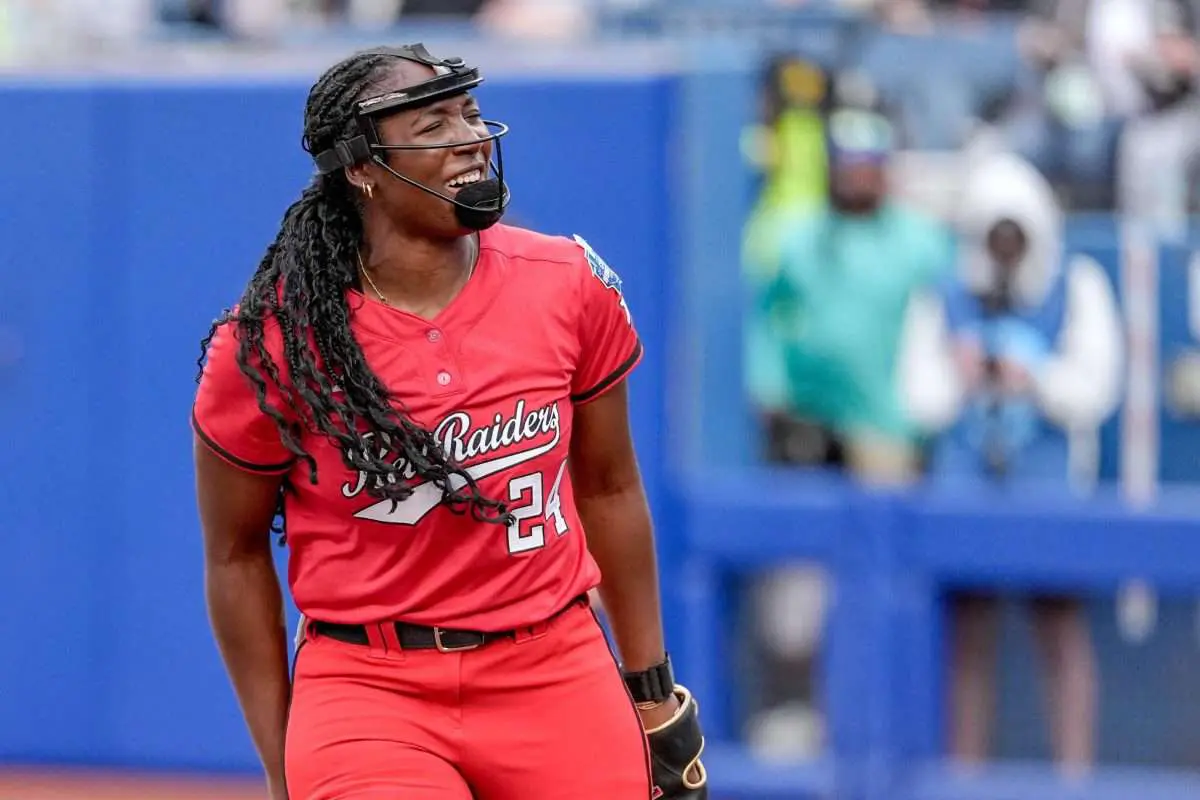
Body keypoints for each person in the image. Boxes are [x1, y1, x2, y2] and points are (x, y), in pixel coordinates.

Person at [191, 43, 707, 800]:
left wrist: (653, 689)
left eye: (469, 115)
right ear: (361, 167)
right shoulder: (271, 339)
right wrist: (280, 759)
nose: (470, 139)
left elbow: (610, 489)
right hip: (370, 683)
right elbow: (234, 557)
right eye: (433, 124)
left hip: (553, 665)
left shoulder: (566, 282)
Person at [904, 151, 1123, 771]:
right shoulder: (942, 295)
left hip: (1049, 486)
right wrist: (961, 371)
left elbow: (1096, 390)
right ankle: (963, 774)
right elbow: (919, 399)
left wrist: (1036, 377)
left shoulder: (1076, 285)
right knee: (966, 639)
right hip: (963, 484)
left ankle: (1073, 778)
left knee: (1060, 631)